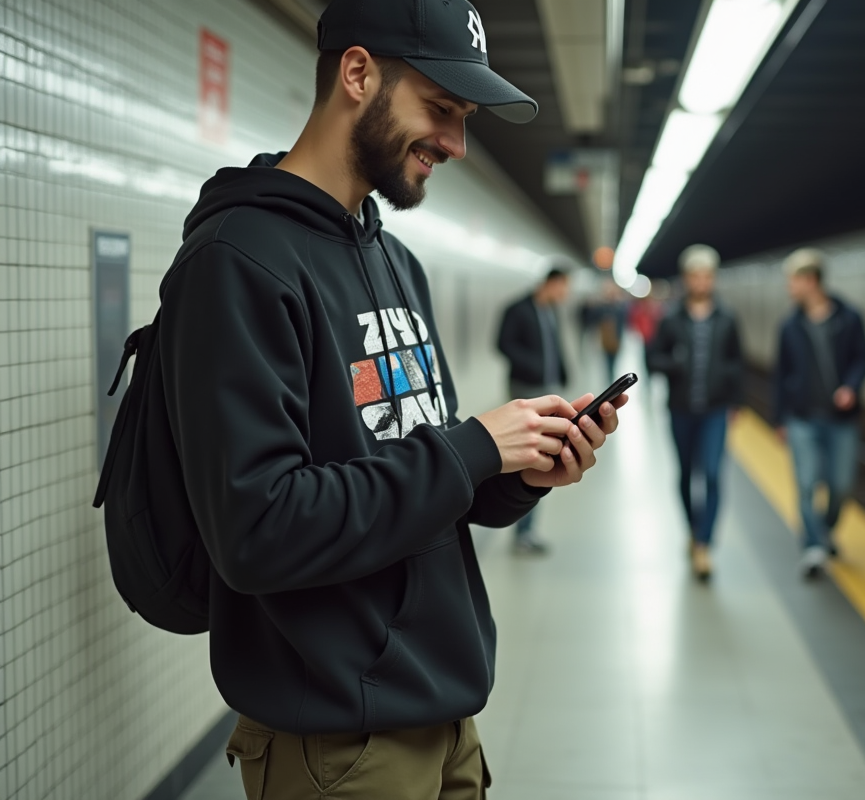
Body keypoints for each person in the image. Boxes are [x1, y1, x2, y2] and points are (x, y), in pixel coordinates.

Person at [158, 2, 627, 798]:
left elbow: (406, 468)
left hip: (443, 716)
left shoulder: (394, 261)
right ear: (357, 72)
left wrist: (518, 475)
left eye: (466, 118)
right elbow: (258, 528)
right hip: (339, 742)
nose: (456, 143)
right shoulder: (238, 262)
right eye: (441, 109)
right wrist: (473, 445)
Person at [647, 244, 743, 582]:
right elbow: (652, 360)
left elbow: (736, 361)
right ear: (687, 279)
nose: (701, 282)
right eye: (695, 276)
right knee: (687, 474)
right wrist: (676, 362)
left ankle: (704, 543)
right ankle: (692, 528)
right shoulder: (671, 318)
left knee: (714, 474)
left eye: (707, 276)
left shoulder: (727, 318)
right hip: (682, 409)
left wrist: (736, 401)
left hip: (715, 410)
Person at [773, 248, 865, 579]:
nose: (789, 288)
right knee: (805, 483)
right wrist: (779, 418)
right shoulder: (789, 325)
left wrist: (852, 387)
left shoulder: (850, 318)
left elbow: (864, 358)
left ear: (811, 281)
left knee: (841, 486)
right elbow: (781, 373)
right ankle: (813, 546)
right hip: (802, 416)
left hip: (841, 419)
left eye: (794, 281)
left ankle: (824, 529)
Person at [496, 267, 571, 554]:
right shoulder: (518, 309)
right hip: (525, 389)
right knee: (532, 455)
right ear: (551, 284)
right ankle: (523, 530)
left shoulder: (550, 311)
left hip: (547, 388)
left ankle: (527, 529)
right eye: (563, 287)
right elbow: (502, 344)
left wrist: (563, 371)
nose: (565, 294)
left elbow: (555, 346)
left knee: (542, 455)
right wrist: (533, 366)